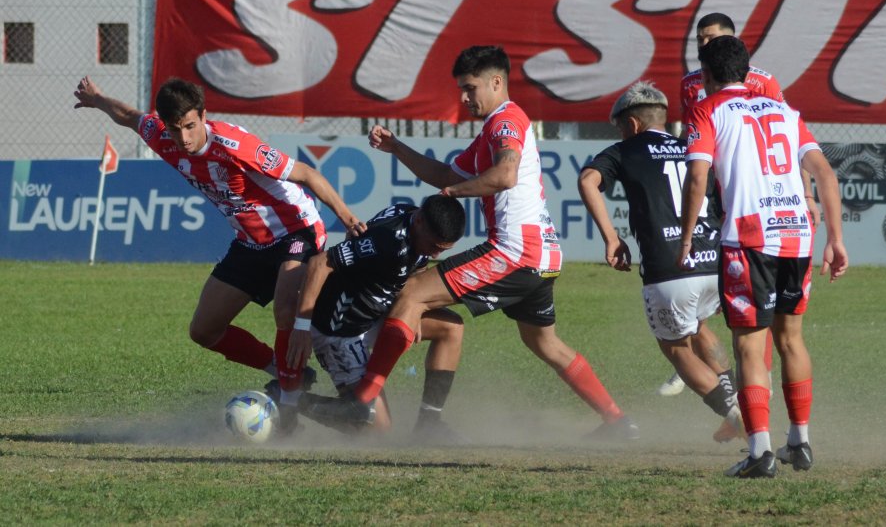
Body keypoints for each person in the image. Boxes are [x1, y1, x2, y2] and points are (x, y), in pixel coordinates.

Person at [305, 45, 638, 440]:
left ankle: (362, 398)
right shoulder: (492, 129)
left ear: (496, 82)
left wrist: (453, 194)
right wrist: (398, 148)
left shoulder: (506, 120)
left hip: (516, 251)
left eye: (470, 87)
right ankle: (617, 421)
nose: (464, 98)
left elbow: (506, 174)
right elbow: (445, 172)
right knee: (543, 341)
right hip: (545, 256)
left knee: (411, 294)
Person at [73, 76, 364, 407]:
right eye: (174, 128)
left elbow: (308, 175)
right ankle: (283, 370)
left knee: (285, 310)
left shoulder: (236, 144)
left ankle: (289, 402)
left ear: (203, 115)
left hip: (296, 230)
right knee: (204, 330)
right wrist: (97, 99)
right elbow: (128, 116)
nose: (183, 138)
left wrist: (348, 218)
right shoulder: (160, 135)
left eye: (189, 126)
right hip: (250, 241)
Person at [679, 36, 848, 478]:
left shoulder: (707, 109)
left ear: (708, 75)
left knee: (750, 345)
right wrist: (837, 239)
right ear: (747, 70)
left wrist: (685, 235)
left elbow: (697, 174)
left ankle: (760, 453)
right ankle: (800, 441)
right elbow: (825, 174)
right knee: (791, 338)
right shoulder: (785, 111)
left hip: (749, 239)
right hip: (796, 234)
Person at [659, 11, 820, 397]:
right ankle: (703, 359)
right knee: (708, 279)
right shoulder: (689, 84)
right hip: (713, 192)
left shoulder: (762, 82)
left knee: (750, 295)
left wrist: (806, 193)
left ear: (732, 41)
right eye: (699, 38)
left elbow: (781, 143)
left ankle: (749, 377)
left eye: (711, 38)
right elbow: (693, 144)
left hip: (753, 199)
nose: (703, 44)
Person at [578, 80, 743, 443]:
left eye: (621, 126)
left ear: (632, 125)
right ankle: (738, 399)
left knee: (675, 349)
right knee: (698, 325)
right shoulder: (692, 144)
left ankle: (734, 413)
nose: (620, 133)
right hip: (714, 261)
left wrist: (612, 238)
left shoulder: (626, 149)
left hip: (669, 268)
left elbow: (588, 181)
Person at [275, 195, 467, 441]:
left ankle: (429, 423)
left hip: (376, 316)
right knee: (378, 429)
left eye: (443, 249)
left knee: (451, 328)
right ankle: (292, 400)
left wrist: (415, 310)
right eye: (434, 246)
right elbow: (319, 264)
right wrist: (301, 327)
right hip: (340, 330)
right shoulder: (385, 241)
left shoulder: (413, 221)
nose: (436, 254)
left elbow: (415, 269)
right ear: (419, 221)